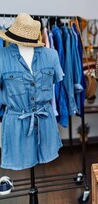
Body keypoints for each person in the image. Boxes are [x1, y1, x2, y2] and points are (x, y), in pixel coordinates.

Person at [0, 13, 64, 170]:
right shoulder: (2, 57)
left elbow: (56, 81)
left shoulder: (51, 56)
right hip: (16, 124)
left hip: (45, 122)